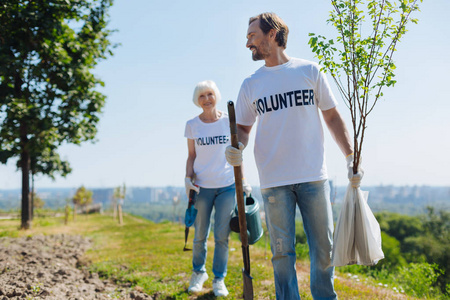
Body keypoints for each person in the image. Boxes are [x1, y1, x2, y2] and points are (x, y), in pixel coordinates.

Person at [225, 13, 362, 300]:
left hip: (314, 176)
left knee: (324, 251)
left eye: (252, 35)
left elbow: (332, 116)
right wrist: (237, 147)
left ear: (272, 34)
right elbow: (243, 128)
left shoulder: (309, 71)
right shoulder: (252, 84)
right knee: (282, 254)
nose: (247, 41)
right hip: (274, 180)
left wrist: (350, 156)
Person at [184, 80, 252, 297]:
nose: (206, 99)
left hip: (227, 187)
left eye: (210, 94)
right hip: (202, 187)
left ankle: (219, 279)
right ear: (197, 100)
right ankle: (198, 273)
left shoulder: (228, 122)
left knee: (222, 235)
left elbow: (236, 153)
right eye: (202, 96)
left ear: (216, 96)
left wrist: (244, 180)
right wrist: (187, 178)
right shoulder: (192, 125)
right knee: (200, 235)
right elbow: (192, 156)